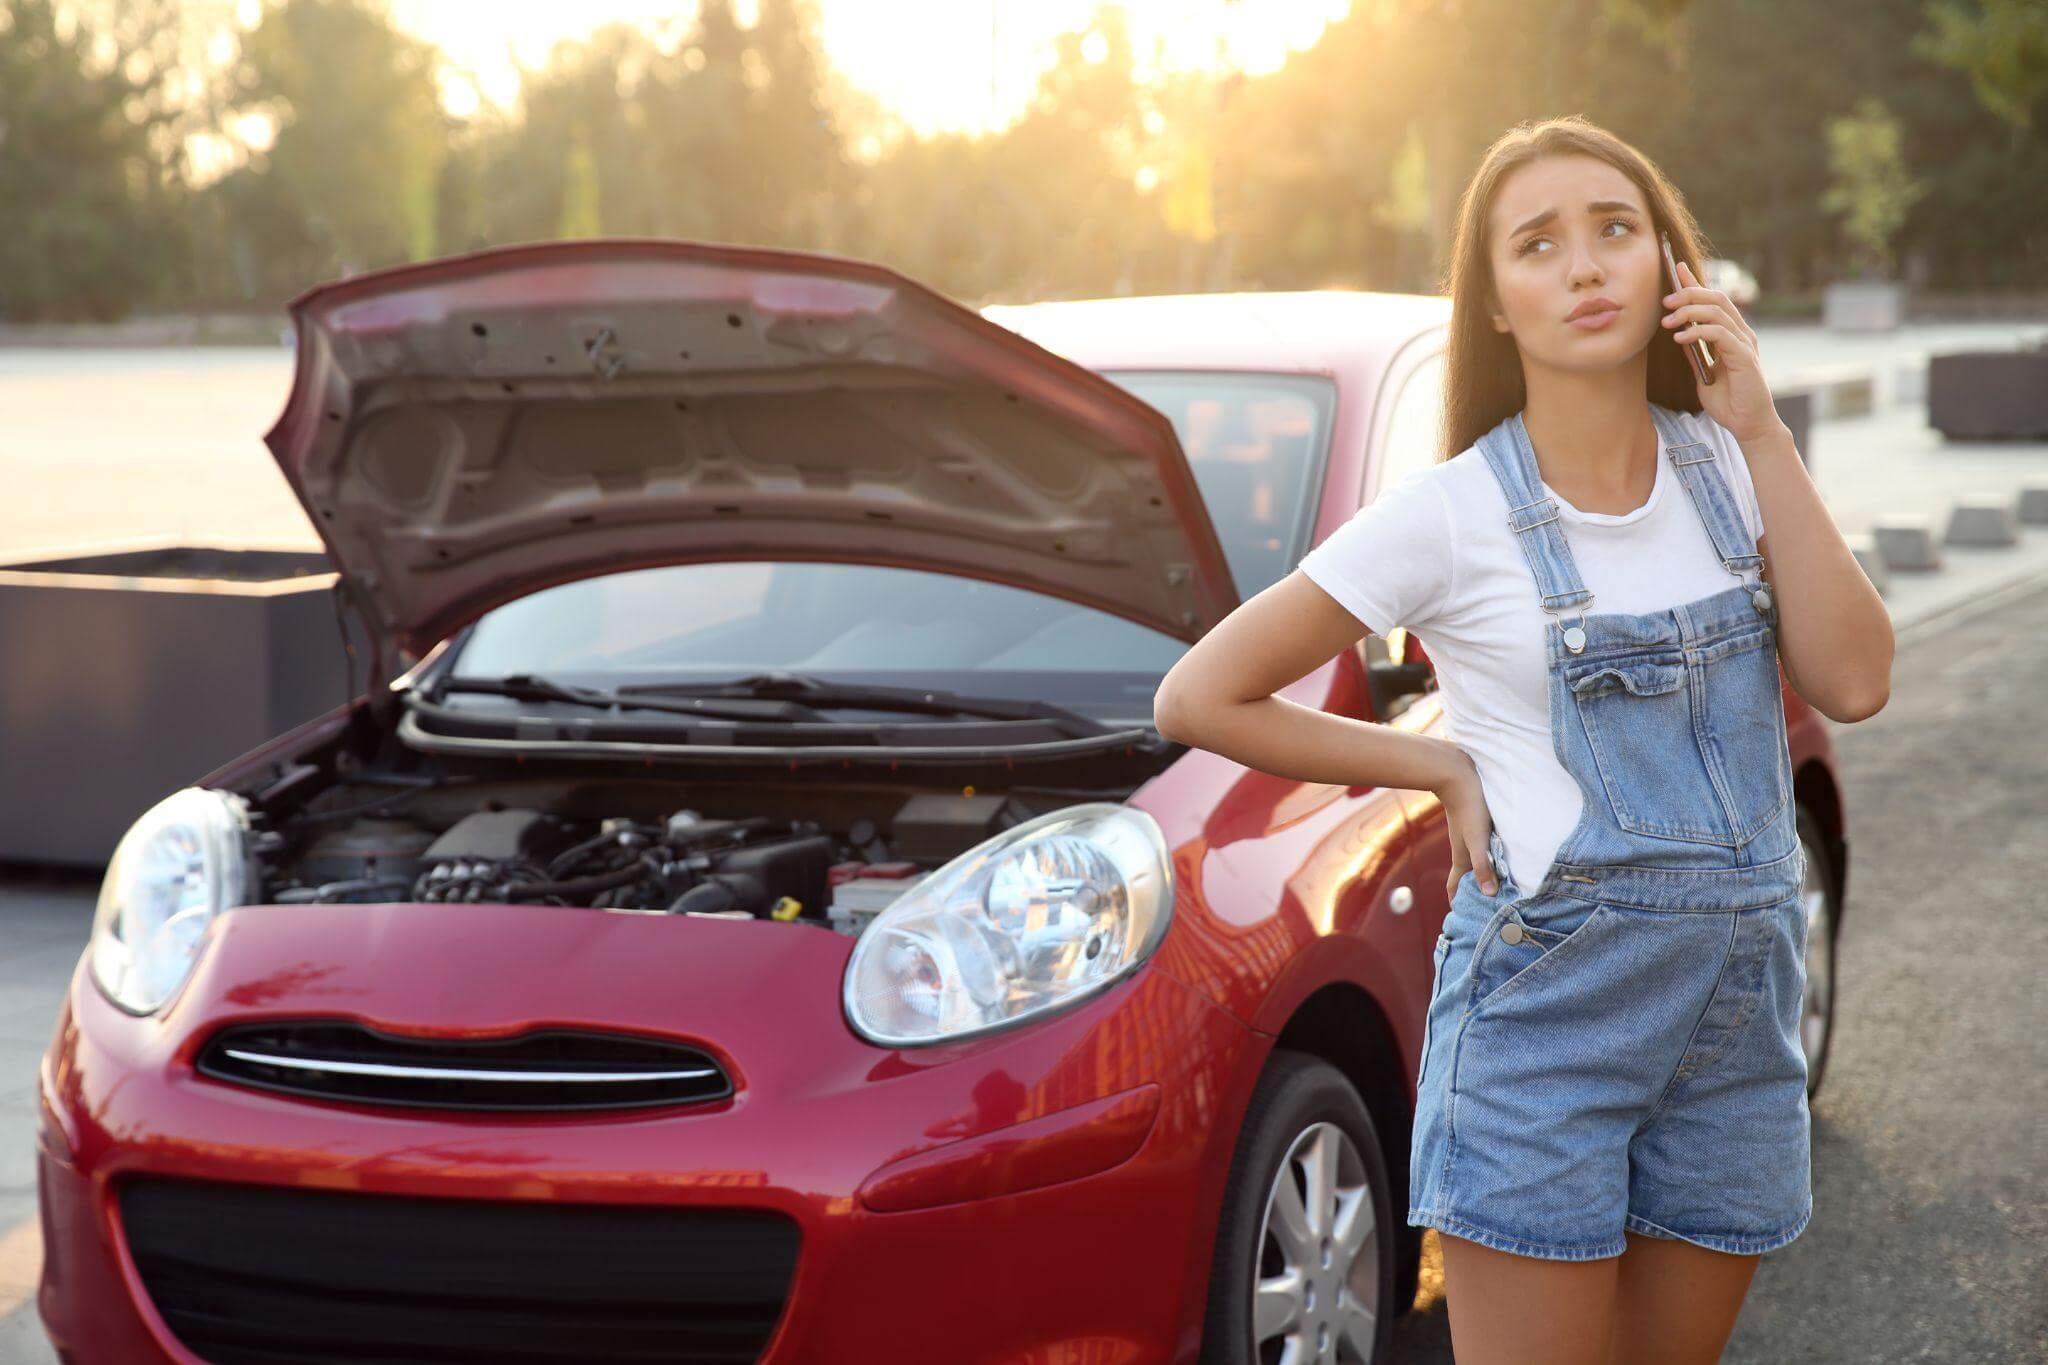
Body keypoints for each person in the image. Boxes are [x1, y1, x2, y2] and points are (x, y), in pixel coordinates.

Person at [1152, 115, 1893, 1364]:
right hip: (1545, 1029)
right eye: (1538, 244)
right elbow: (1200, 696)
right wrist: (1438, 761)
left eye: (1615, 229)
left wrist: (1762, 431)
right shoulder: (1448, 515)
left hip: (1733, 1027)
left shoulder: (1730, 464)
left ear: (1670, 264)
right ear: (1493, 301)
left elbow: (1855, 678)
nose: (1585, 265)